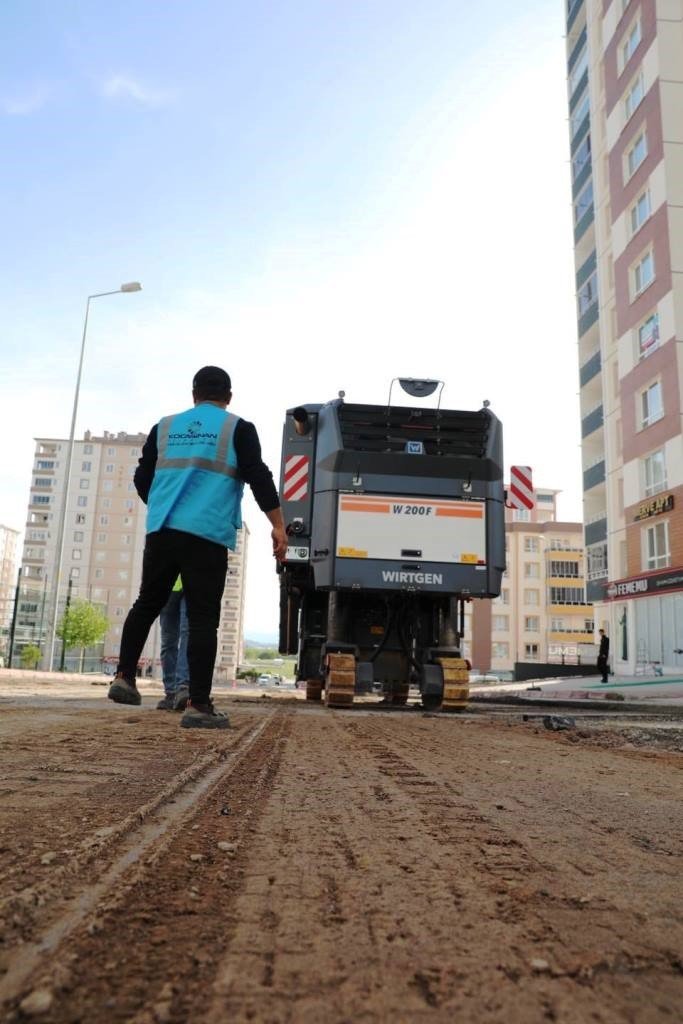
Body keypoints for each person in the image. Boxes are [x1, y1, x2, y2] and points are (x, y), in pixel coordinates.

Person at [108, 365, 287, 728]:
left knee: (148, 602)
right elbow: (258, 476)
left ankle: (124, 676)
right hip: (205, 534)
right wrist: (278, 526)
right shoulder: (237, 428)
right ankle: (198, 705)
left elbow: (143, 476)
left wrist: (162, 505)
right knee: (203, 617)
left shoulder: (165, 427)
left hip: (162, 531)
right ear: (229, 397)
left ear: (193, 395)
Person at [156, 575, 190, 711]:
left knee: (187, 633)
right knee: (168, 642)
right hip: (168, 585)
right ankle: (171, 692)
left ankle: (183, 686)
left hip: (191, 583)